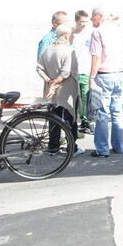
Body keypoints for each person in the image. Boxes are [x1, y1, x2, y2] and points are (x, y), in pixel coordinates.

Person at [37, 24, 83, 155]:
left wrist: (48, 81)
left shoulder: (48, 49)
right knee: (70, 119)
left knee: (53, 118)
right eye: (72, 34)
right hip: (67, 90)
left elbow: (39, 68)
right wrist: (55, 82)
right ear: (67, 36)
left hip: (51, 92)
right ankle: (71, 147)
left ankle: (53, 147)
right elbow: (65, 73)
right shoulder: (69, 50)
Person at [89, 8, 123, 158]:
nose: (92, 21)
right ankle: (119, 146)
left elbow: (96, 57)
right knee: (117, 111)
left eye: (93, 17)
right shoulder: (119, 30)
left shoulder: (97, 32)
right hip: (120, 74)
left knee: (102, 113)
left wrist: (91, 77)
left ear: (99, 17)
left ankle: (102, 149)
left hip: (104, 75)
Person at [72, 10, 93, 133]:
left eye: (86, 21)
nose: (84, 24)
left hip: (86, 69)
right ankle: (73, 120)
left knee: (85, 96)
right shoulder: (72, 33)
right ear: (76, 21)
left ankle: (85, 121)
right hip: (74, 71)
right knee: (75, 97)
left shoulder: (90, 33)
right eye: (81, 22)